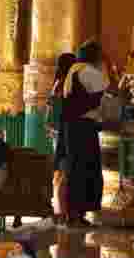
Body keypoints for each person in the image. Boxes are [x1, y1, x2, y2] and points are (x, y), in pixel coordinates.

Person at [60, 40, 107, 228]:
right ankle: (77, 214)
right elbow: (107, 93)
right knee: (85, 168)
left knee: (75, 167)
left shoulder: (74, 70)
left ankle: (73, 214)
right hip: (84, 126)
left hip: (72, 126)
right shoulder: (89, 71)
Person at [46, 53, 76, 226]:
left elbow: (50, 111)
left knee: (61, 172)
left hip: (57, 130)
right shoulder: (65, 83)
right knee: (63, 173)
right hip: (62, 131)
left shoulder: (58, 82)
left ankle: (62, 210)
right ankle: (63, 211)